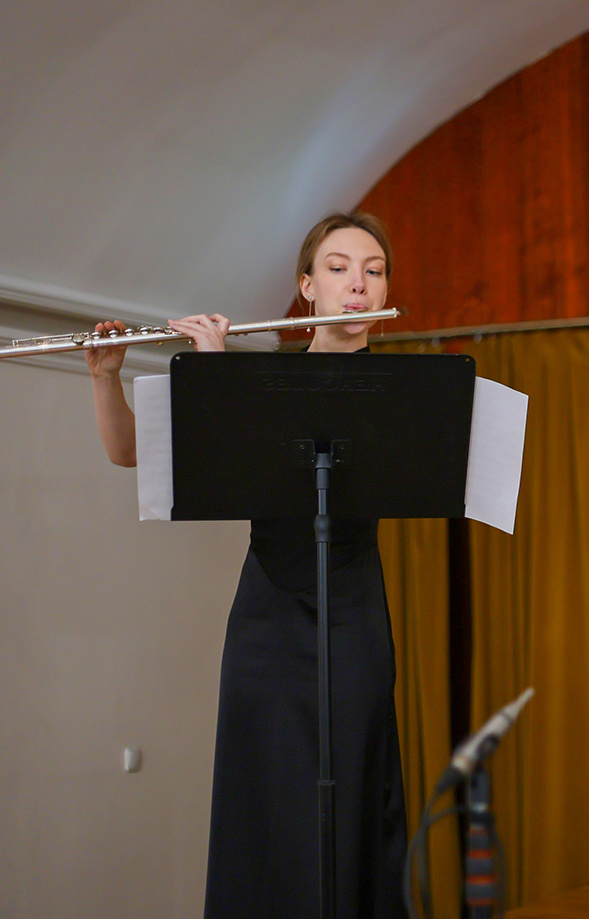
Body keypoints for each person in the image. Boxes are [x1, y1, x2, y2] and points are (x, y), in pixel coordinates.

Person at [88, 212, 407, 919]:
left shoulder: (400, 390)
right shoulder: (263, 378)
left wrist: (223, 379)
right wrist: (109, 379)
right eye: (338, 268)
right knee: (262, 798)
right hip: (267, 619)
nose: (358, 283)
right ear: (307, 286)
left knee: (352, 799)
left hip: (352, 614)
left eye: (374, 270)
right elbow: (128, 452)